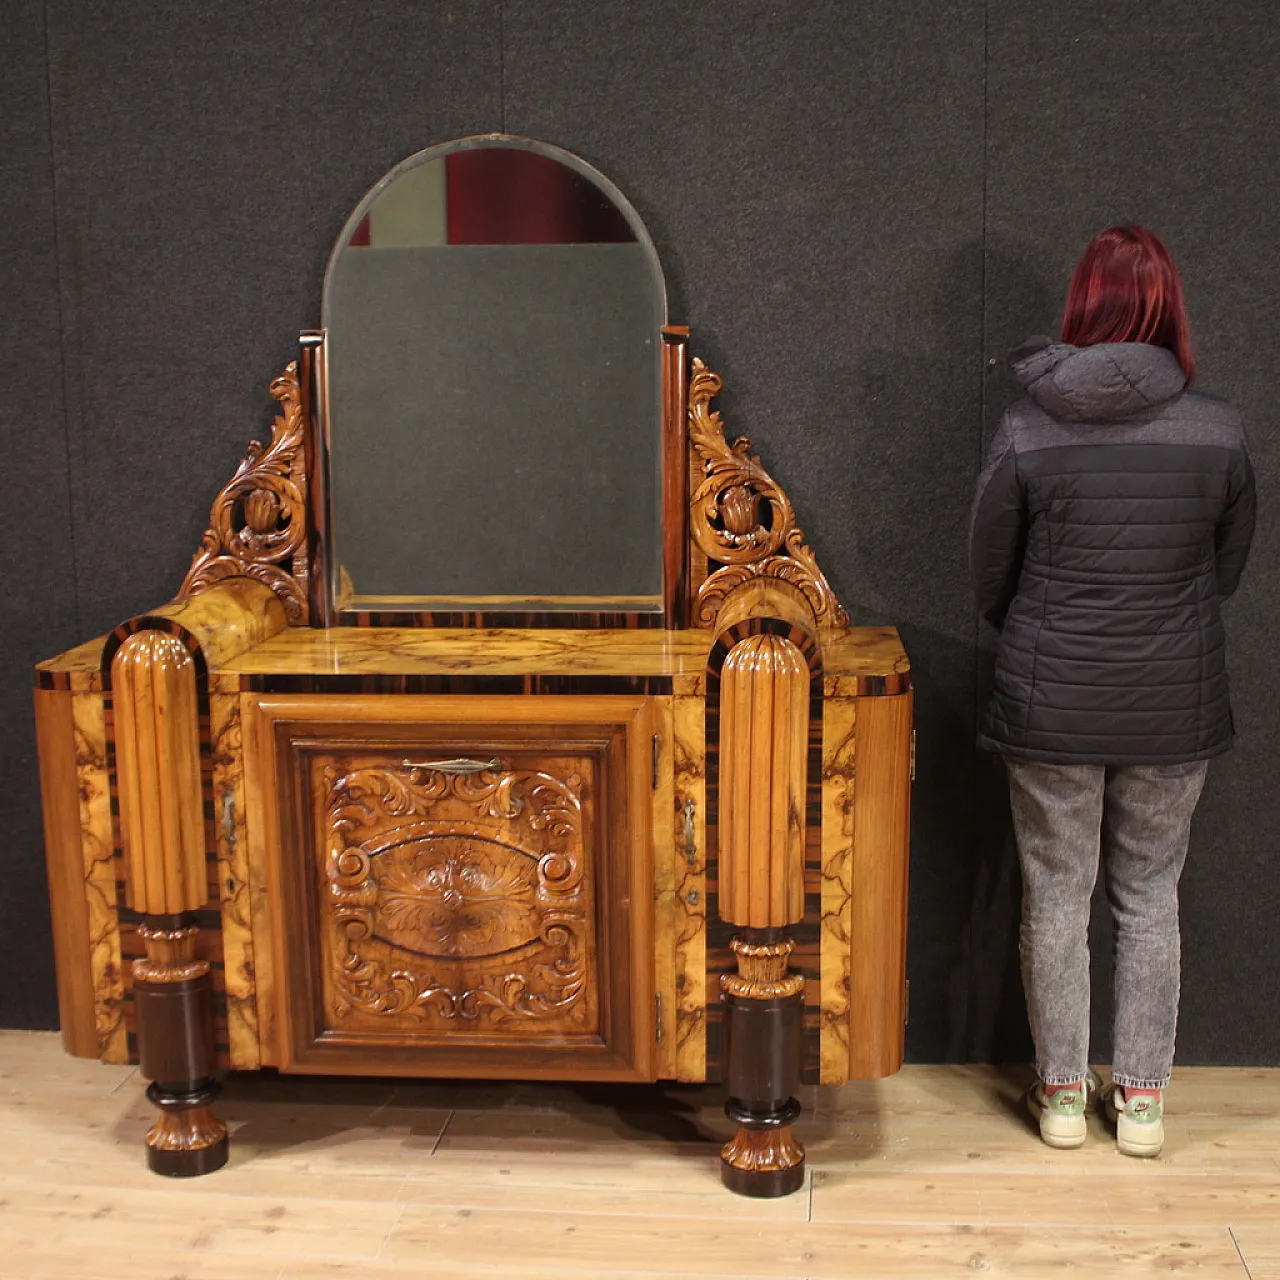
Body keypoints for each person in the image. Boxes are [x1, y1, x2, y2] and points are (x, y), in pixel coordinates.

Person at [970, 225, 1256, 1157]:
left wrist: (1052, 629)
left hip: (1051, 700)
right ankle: (1140, 1104)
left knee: (1056, 894)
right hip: (1173, 701)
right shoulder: (1217, 429)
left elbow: (990, 575)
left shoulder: (1025, 427)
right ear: (1170, 304)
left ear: (1081, 307)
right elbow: (1225, 569)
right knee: (1149, 895)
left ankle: (1060, 1096)